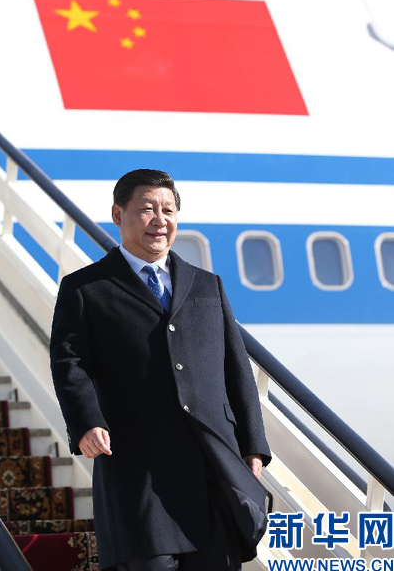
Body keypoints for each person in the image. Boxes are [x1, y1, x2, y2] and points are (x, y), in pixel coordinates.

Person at [49, 169, 272, 571]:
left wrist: (253, 445)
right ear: (118, 214)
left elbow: (236, 368)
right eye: (147, 209)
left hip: (212, 465)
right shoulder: (87, 288)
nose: (160, 220)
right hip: (139, 469)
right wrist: (86, 422)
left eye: (168, 210)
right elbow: (70, 363)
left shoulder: (207, 285)